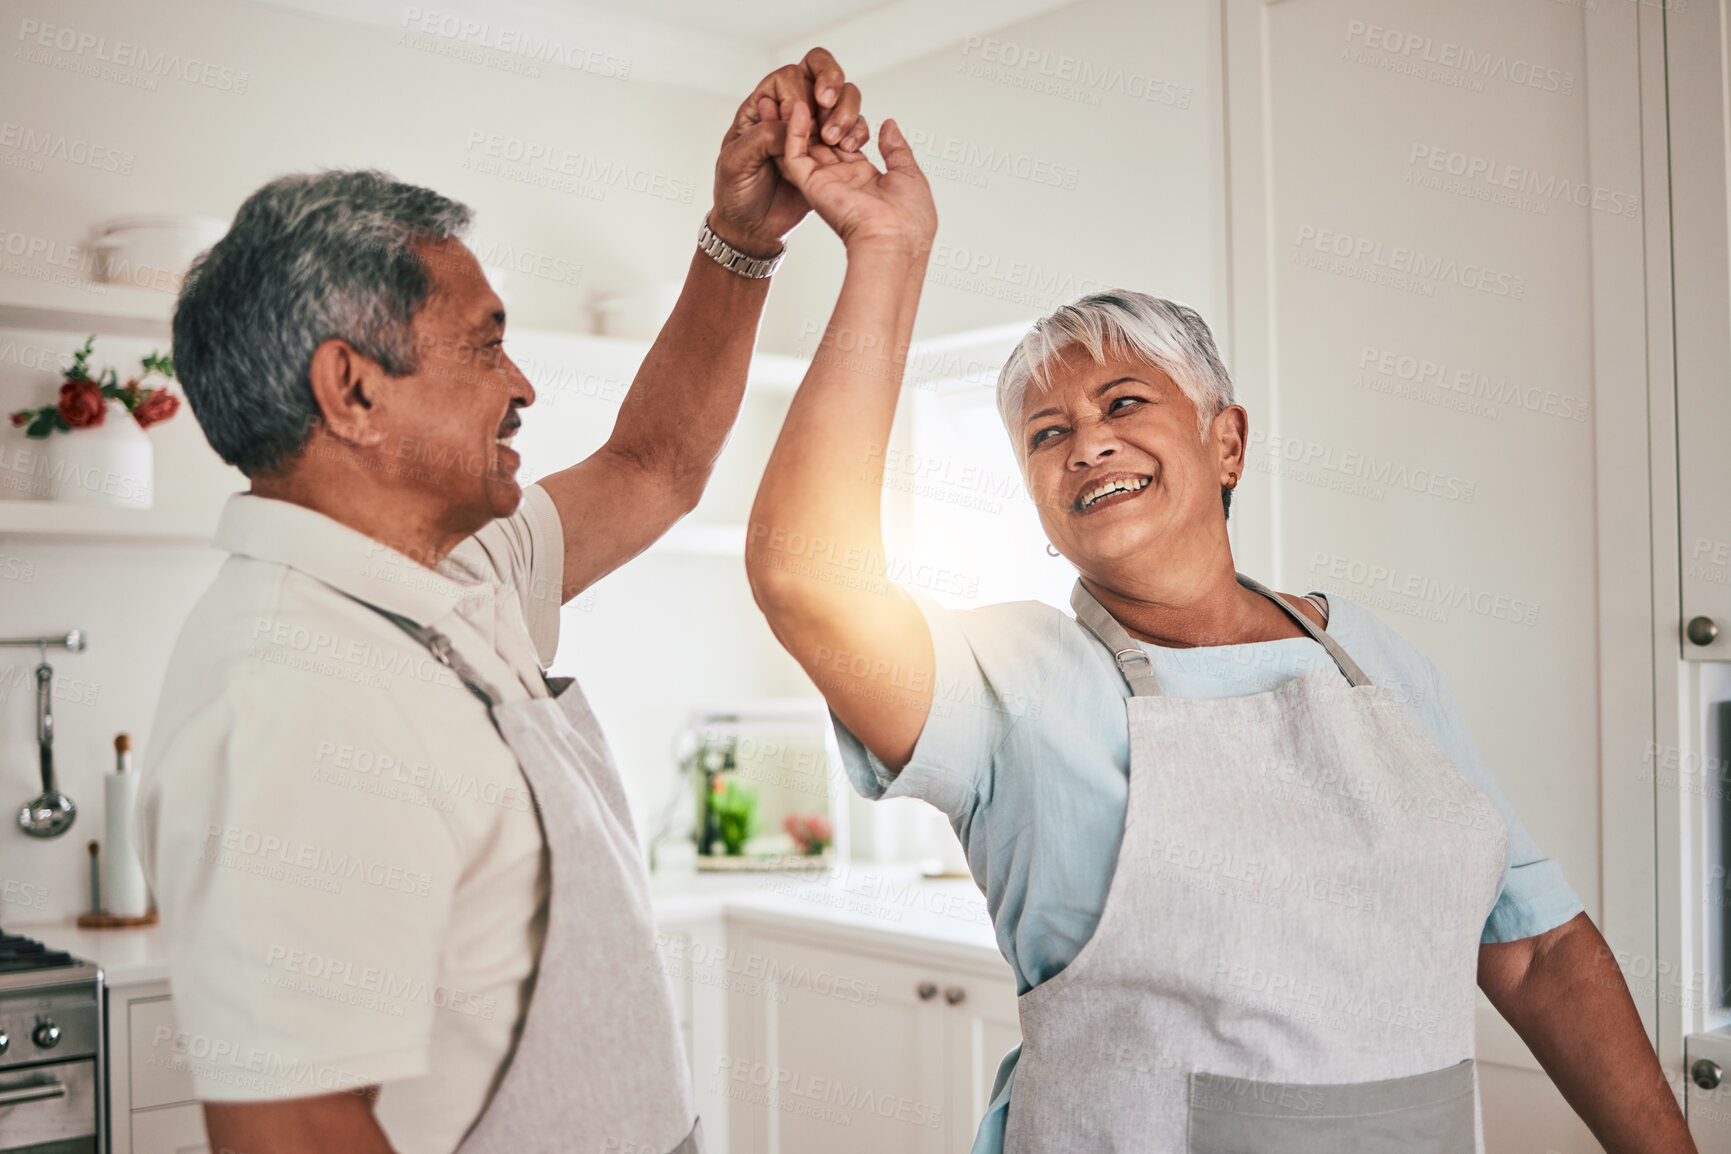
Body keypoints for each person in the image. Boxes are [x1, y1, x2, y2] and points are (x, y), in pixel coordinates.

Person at [744, 103, 1696, 1152]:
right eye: (1048, 434)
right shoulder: (1009, 678)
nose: (1088, 445)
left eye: (1124, 404)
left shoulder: (1367, 655)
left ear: (1226, 441)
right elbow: (807, 577)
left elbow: (1535, 947)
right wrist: (889, 249)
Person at [135, 50, 871, 1154]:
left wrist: (747, 237)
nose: (522, 384)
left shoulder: (451, 574)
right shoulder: (289, 696)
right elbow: (292, 1128)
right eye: (484, 344)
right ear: (353, 389)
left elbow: (655, 463)